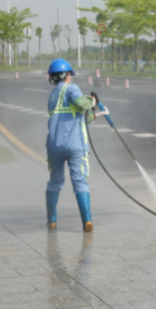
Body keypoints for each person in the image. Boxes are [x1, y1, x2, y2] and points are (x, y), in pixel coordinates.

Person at [45, 58, 100, 232]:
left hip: (54, 145)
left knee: (54, 182)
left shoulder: (52, 96)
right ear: (67, 75)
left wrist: (95, 115)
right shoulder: (71, 88)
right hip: (75, 144)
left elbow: (75, 117)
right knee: (80, 181)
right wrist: (92, 102)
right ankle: (87, 221)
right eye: (70, 75)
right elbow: (80, 103)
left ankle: (51, 221)